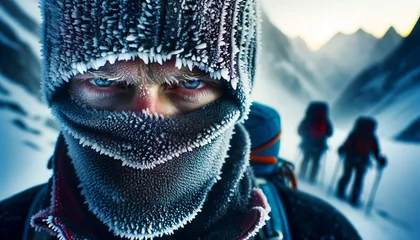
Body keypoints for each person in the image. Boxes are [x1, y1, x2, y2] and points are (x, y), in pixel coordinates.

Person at [0, 0, 360, 239]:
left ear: (234, 96)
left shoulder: (320, 230)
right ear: (61, 90)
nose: (145, 123)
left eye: (189, 83)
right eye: (103, 82)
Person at [336, 117, 387, 206]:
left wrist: (342, 150)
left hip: (350, 158)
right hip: (362, 161)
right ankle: (354, 199)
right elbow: (376, 151)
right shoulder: (372, 137)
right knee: (358, 180)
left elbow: (347, 143)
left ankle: (340, 192)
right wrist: (379, 160)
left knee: (346, 175)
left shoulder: (355, 133)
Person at [297, 102, 333, 182]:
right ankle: (312, 178)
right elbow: (330, 133)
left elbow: (299, 130)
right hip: (320, 145)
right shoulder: (325, 120)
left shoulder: (309, 118)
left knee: (305, 158)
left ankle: (302, 174)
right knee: (316, 161)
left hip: (307, 143)